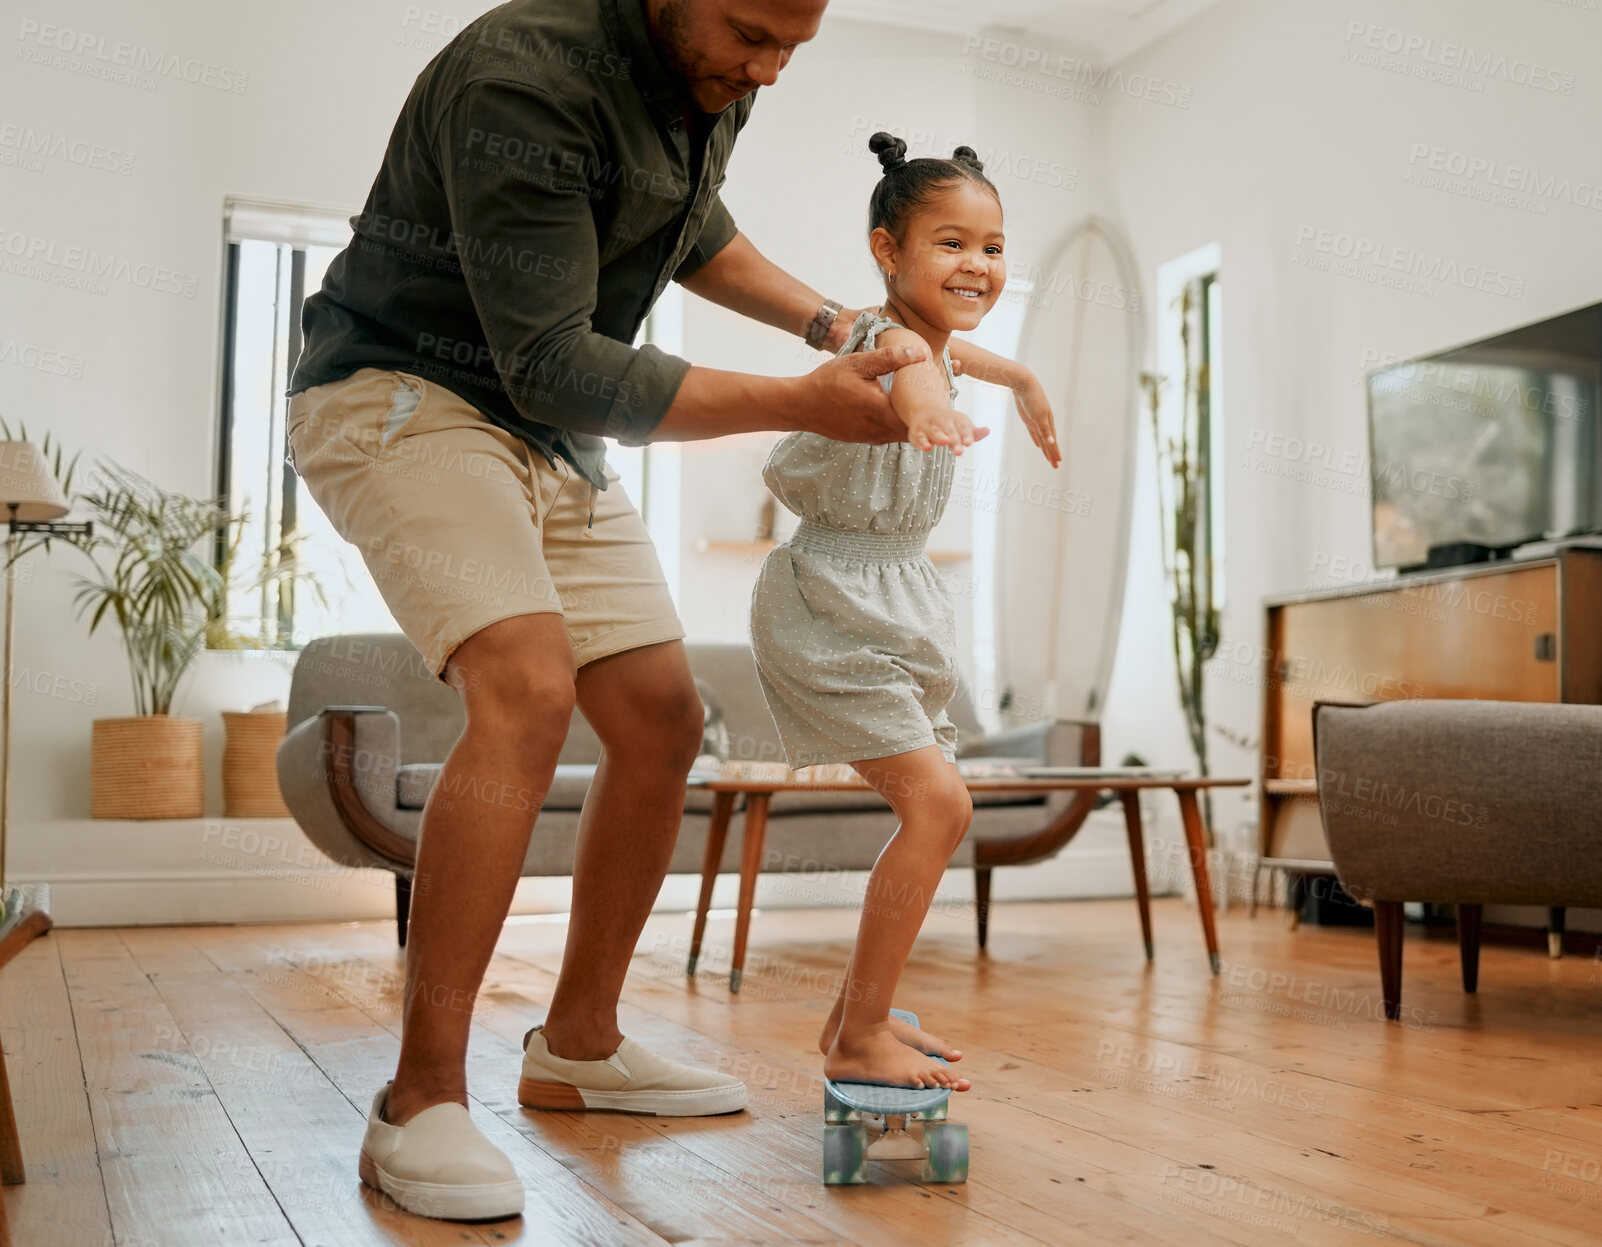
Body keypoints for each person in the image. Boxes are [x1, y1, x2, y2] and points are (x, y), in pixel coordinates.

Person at [286, 0, 1057, 1221]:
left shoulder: (709, 78)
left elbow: (693, 227)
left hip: (544, 431)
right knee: (529, 686)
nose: (768, 69)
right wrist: (809, 396)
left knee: (659, 713)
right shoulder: (523, 79)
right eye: (752, 35)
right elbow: (555, 360)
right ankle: (420, 1096)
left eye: (793, 45)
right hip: (407, 389)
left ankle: (578, 1043)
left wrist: (833, 323)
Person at [750, 132, 1060, 1091]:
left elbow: (951, 354)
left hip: (894, 595)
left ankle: (856, 1014)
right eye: (951, 244)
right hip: (830, 599)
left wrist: (1023, 380)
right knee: (941, 804)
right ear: (887, 250)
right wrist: (925, 402)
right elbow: (910, 361)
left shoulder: (935, 343)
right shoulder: (873, 340)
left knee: (937, 807)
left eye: (994, 247)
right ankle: (859, 1030)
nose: (977, 264)